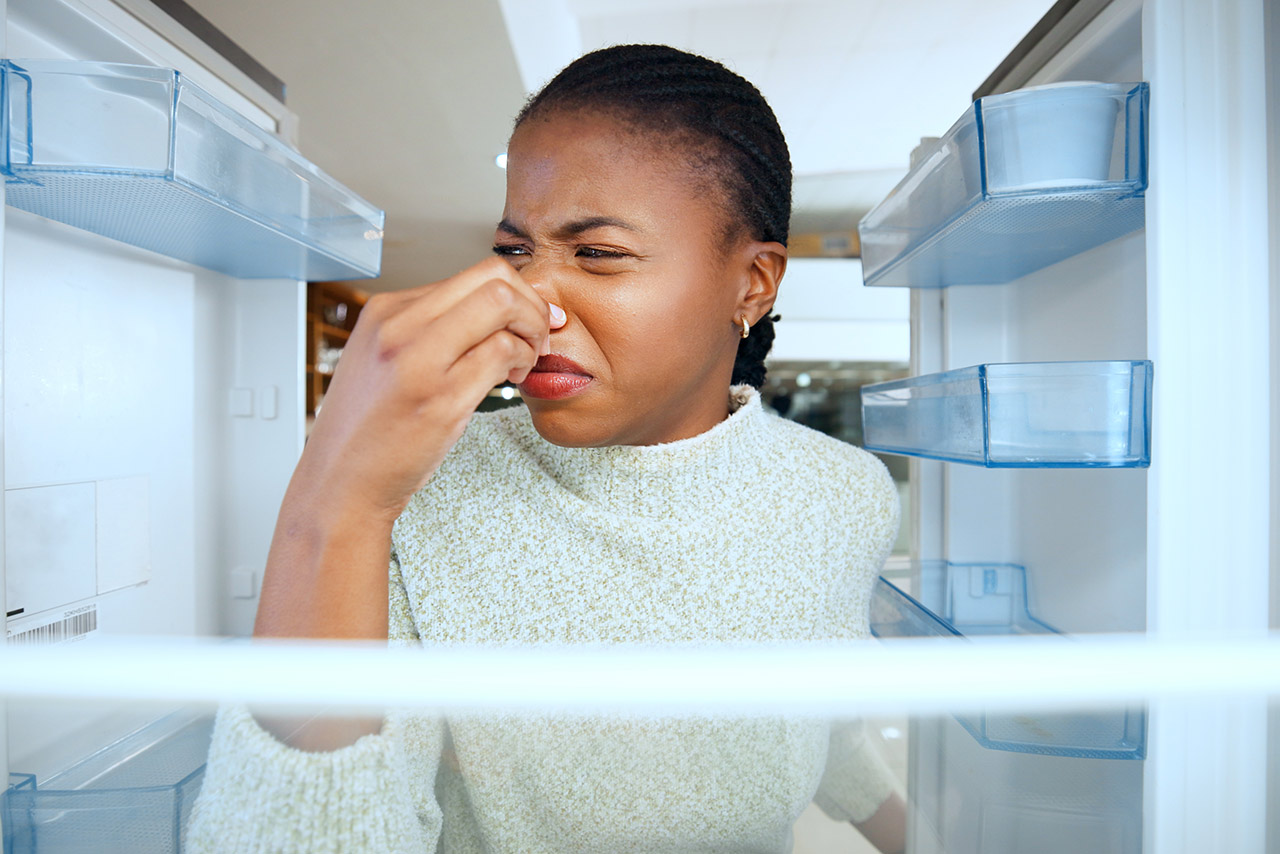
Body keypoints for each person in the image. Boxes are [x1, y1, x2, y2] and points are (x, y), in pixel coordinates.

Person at [187, 44, 905, 854]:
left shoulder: (845, 493)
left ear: (753, 283)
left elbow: (818, 710)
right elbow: (320, 832)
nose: (534, 303)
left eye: (596, 253)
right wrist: (337, 495)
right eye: (513, 251)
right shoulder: (424, 490)